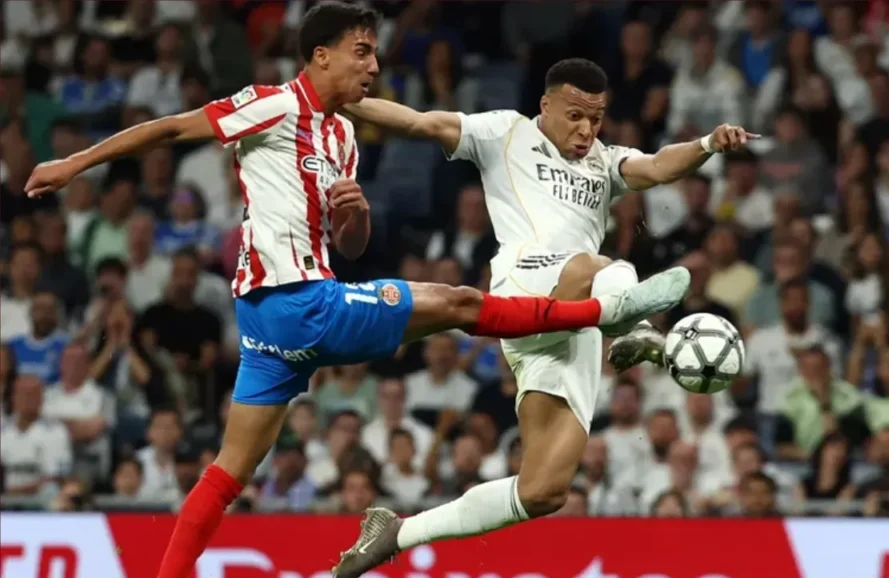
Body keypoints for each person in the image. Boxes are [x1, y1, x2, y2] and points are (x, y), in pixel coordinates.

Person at [23, 5, 690, 578]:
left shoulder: (342, 135)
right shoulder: (273, 105)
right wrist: (75, 163)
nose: (374, 65)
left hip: (279, 321)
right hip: (294, 304)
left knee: (227, 473)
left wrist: (355, 216)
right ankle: (604, 312)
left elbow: (349, 247)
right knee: (460, 302)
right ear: (322, 55)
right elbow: (170, 128)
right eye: (362, 52)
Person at [338, 57, 755, 575]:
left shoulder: (605, 161)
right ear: (546, 105)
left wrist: (708, 144)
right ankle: (638, 328)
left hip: (573, 329)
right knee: (602, 267)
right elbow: (420, 121)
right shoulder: (503, 132)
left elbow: (657, 166)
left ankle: (397, 533)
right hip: (524, 285)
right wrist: (339, 99)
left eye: (596, 119)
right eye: (575, 116)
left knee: (544, 490)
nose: (586, 130)